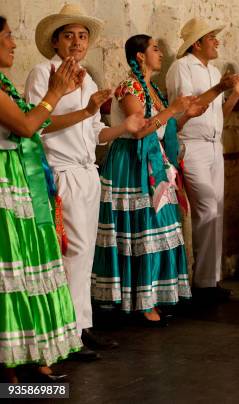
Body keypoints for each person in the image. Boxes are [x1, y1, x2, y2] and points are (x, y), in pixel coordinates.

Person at [25, 3, 146, 360]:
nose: (77, 42)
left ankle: (82, 325)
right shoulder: (41, 73)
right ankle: (66, 331)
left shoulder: (87, 77)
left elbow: (95, 133)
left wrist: (124, 128)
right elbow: (39, 125)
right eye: (69, 36)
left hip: (87, 172)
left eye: (82, 36)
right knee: (71, 254)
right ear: (56, 41)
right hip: (60, 173)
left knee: (85, 255)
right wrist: (87, 111)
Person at [92, 34, 202, 325]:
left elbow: (163, 127)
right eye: (155, 48)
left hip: (153, 161)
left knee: (158, 226)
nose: (161, 53)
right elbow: (139, 129)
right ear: (140, 56)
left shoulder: (152, 87)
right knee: (140, 228)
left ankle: (153, 295)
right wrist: (173, 109)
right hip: (131, 161)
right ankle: (139, 301)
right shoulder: (129, 86)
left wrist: (184, 115)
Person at [0, 15, 83, 382]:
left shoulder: (4, 82)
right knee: (11, 270)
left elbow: (33, 122)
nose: (13, 44)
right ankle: (10, 364)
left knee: (28, 264)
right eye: (7, 36)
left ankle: (28, 353)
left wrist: (72, 101)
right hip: (6, 181)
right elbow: (26, 126)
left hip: (20, 178)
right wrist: (54, 92)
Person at [166, 17, 239, 302]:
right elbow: (186, 108)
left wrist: (234, 95)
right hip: (191, 144)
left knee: (216, 208)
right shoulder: (182, 67)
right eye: (211, 37)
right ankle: (201, 282)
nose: (217, 41)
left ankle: (210, 281)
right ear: (197, 43)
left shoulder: (214, 71)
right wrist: (219, 89)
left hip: (214, 144)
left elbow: (218, 116)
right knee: (205, 207)